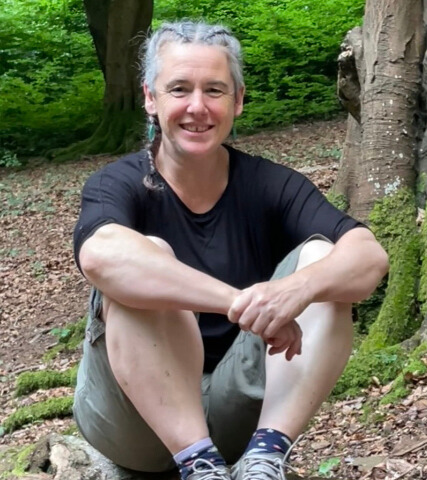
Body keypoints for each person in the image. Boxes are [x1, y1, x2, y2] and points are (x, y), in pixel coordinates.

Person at [72, 20, 388, 480]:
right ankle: (197, 462)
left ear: (237, 101)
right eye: (179, 89)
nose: (197, 107)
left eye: (215, 90)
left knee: (324, 261)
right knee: (147, 257)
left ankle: (263, 460)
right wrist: (240, 303)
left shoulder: (269, 184)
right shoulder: (117, 184)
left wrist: (298, 288)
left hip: (236, 409)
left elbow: (369, 258)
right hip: (131, 418)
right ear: (150, 98)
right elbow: (103, 257)